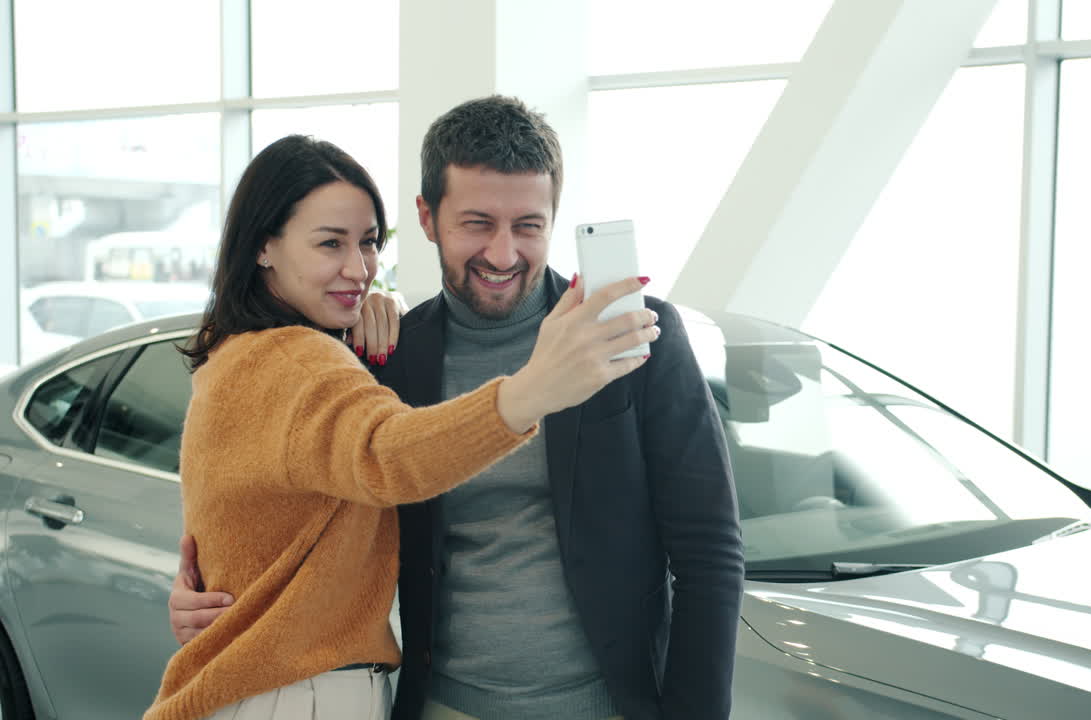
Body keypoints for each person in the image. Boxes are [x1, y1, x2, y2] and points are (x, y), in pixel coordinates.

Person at [171, 97, 745, 720]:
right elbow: (294, 495)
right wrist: (203, 591)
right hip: (442, 705)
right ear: (427, 217)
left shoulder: (633, 335)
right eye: (477, 223)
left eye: (528, 225)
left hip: (609, 705)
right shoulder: (387, 353)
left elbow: (708, 546)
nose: (503, 254)